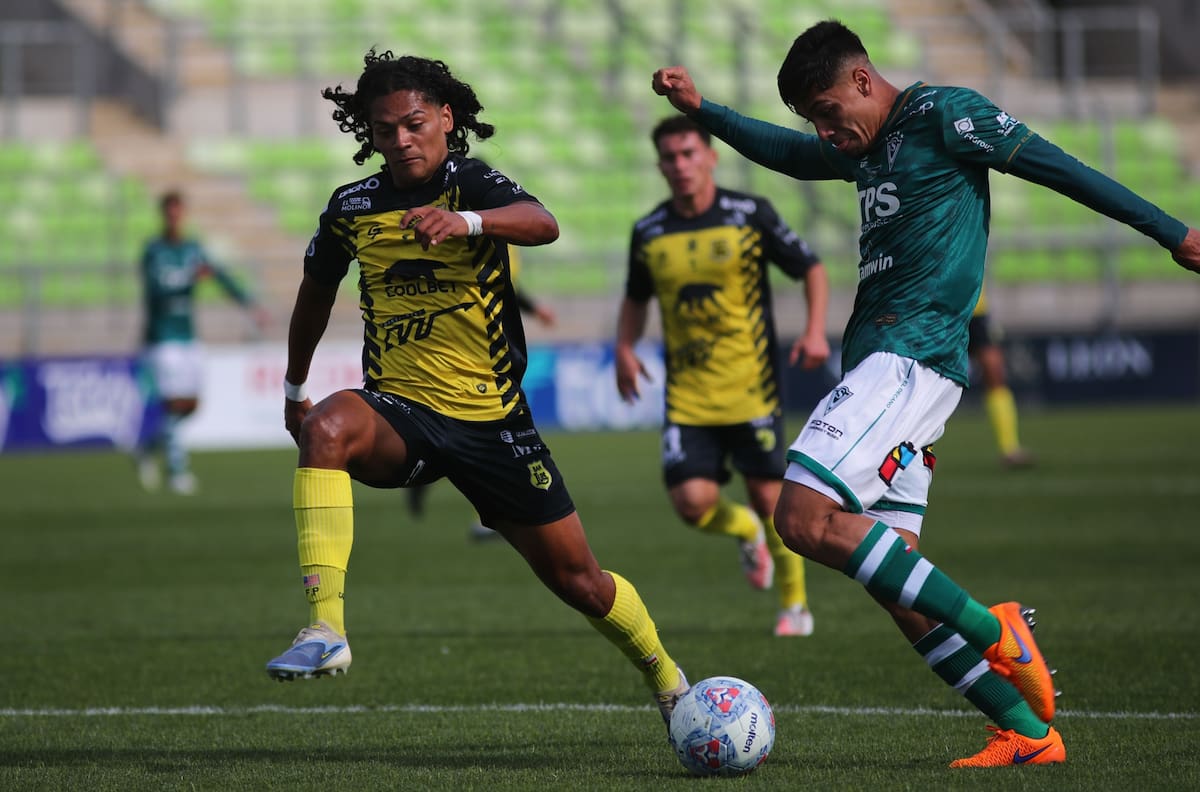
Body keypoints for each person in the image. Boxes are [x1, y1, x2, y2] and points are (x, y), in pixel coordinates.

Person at [652, 19, 1199, 767]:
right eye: (813, 119)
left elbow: (1059, 168)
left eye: (827, 111)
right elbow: (789, 153)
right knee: (898, 584)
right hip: (893, 365)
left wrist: (1171, 231)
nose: (824, 131)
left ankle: (998, 631)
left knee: (800, 517)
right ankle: (1027, 733)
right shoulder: (864, 145)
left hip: (908, 358)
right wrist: (704, 110)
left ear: (862, 81)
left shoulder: (944, 114)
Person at [265, 50, 690, 729]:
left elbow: (544, 223)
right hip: (402, 411)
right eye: (384, 130)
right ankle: (326, 627)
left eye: (413, 125)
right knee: (327, 428)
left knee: (580, 581)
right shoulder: (352, 207)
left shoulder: (469, 182)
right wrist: (294, 387)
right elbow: (314, 294)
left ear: (444, 118)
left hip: (493, 422)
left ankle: (667, 678)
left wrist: (468, 222)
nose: (401, 140)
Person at [615, 114, 831, 638]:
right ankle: (745, 530)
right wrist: (624, 347)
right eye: (670, 157)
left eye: (689, 153)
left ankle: (795, 606)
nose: (680, 165)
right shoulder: (649, 231)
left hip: (751, 386)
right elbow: (636, 298)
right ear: (660, 166)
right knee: (692, 504)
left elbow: (810, 267)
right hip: (688, 395)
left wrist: (815, 331)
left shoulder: (750, 214)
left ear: (710, 157)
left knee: (770, 499)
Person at [404, 244, 556, 529]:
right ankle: (497, 507)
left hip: (492, 348)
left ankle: (490, 505)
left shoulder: (507, 244)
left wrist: (535, 309)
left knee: (482, 431)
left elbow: (506, 287)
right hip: (468, 348)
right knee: (480, 430)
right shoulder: (478, 234)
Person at [136, 190, 267, 495]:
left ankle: (147, 448)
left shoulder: (193, 248)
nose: (174, 217)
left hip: (187, 336)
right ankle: (177, 472)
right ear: (163, 215)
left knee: (191, 405)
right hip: (161, 338)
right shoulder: (153, 250)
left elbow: (220, 277)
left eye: (178, 212)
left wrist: (249, 304)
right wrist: (188, 278)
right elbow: (155, 290)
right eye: (169, 212)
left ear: (183, 215)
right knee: (172, 404)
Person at [968, 286, 1033, 467]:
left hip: (976, 310)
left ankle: (1010, 449)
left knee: (994, 372)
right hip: (942, 308)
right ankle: (916, 451)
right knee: (929, 377)